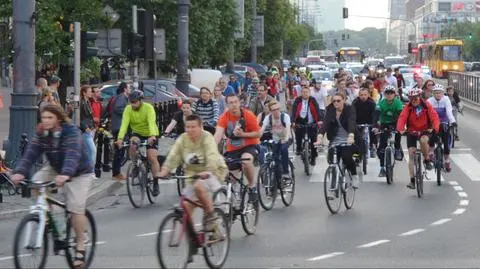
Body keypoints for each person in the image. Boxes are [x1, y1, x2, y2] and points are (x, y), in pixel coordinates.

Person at [11, 104, 94, 269]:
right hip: (55, 168)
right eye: (44, 117)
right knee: (35, 182)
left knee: (76, 206)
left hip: (78, 171)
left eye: (50, 117)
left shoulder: (70, 131)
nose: (46, 121)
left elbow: (73, 154)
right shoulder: (42, 132)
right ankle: (52, 218)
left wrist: (66, 174)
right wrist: (19, 172)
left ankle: (80, 246)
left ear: (59, 118)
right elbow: (31, 153)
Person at [159, 114, 228, 243]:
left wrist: (208, 170)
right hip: (192, 176)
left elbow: (212, 155)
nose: (190, 130)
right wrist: (164, 171)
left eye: (193, 127)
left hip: (213, 172)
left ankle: (213, 221)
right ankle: (193, 242)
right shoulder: (183, 139)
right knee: (186, 206)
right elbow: (174, 155)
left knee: (199, 187)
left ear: (200, 127)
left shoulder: (207, 137)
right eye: (188, 127)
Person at [215, 94, 261, 202]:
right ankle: (233, 203)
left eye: (236, 102)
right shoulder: (224, 117)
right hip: (233, 149)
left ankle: (251, 186)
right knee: (230, 178)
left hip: (249, 146)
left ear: (239, 103)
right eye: (231, 103)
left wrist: (243, 135)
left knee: (246, 161)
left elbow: (258, 134)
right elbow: (218, 135)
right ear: (227, 104)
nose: (234, 105)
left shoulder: (248, 115)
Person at [115, 91, 161, 196]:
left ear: (141, 101)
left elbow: (151, 122)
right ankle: (135, 165)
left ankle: (156, 182)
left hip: (151, 133)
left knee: (152, 157)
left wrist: (153, 136)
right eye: (131, 102)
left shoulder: (148, 108)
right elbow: (124, 124)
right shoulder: (128, 109)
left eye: (135, 102)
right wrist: (120, 138)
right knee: (132, 144)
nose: (133, 104)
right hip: (137, 133)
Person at [397, 88, 440, 189]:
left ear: (419, 97)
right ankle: (412, 181)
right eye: (411, 99)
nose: (414, 101)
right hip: (412, 131)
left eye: (415, 98)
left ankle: (426, 160)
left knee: (423, 140)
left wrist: (434, 128)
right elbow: (402, 117)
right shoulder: (408, 107)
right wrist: (400, 129)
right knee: (411, 154)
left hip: (425, 129)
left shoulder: (426, 105)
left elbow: (434, 117)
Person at [316, 92, 359, 189]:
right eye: (334, 101)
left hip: (348, 140)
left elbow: (352, 122)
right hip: (335, 141)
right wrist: (319, 137)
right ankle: (333, 187)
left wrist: (351, 136)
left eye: (338, 101)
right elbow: (325, 124)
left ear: (343, 100)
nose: (336, 103)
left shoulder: (349, 109)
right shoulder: (330, 110)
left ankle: (354, 176)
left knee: (346, 157)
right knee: (332, 162)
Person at [374, 85, 404, 177]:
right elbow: (376, 114)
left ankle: (398, 148)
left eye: (391, 93)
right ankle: (382, 168)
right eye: (387, 93)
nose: (389, 95)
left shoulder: (398, 102)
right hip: (384, 124)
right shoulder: (381, 103)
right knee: (382, 147)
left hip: (395, 122)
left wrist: (403, 126)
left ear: (394, 94)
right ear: (385, 94)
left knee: (398, 131)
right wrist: (375, 126)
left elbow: (401, 114)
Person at [427, 84, 456, 172]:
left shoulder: (446, 100)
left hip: (444, 120)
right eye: (436, 93)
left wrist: (453, 121)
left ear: (443, 93)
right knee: (433, 134)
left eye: (440, 93)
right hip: (434, 121)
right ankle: (431, 151)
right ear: (433, 93)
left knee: (446, 140)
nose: (438, 95)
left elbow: (449, 112)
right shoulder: (429, 101)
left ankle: (447, 160)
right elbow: (427, 114)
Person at [259, 100, 292, 178]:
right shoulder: (268, 118)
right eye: (274, 110)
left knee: (284, 149)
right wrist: (257, 139)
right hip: (276, 139)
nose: (276, 111)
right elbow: (262, 129)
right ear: (270, 111)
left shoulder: (285, 116)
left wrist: (286, 139)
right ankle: (276, 180)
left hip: (286, 138)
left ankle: (286, 172)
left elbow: (288, 129)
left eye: (277, 109)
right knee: (275, 158)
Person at [291, 86, 322, 166]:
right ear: (301, 93)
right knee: (298, 135)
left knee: (313, 141)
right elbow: (294, 111)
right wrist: (293, 121)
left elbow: (317, 110)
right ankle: (299, 148)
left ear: (309, 93)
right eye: (303, 92)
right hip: (300, 122)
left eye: (306, 92)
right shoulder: (298, 100)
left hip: (311, 122)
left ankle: (314, 157)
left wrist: (319, 120)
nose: (305, 94)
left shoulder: (313, 100)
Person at [109, 82, 130, 181]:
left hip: (118, 126)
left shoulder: (119, 97)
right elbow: (118, 109)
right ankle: (116, 173)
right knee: (120, 151)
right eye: (129, 87)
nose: (130, 89)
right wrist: (128, 112)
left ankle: (117, 172)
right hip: (119, 127)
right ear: (125, 89)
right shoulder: (122, 97)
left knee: (120, 151)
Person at [352, 87, 377, 158]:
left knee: (373, 131)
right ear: (359, 95)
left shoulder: (372, 103)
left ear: (368, 95)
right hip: (358, 121)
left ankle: (372, 147)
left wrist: (374, 124)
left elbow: (374, 114)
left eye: (365, 95)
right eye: (361, 95)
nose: (363, 96)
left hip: (369, 121)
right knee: (356, 135)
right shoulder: (355, 102)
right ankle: (356, 152)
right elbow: (352, 114)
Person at [80, 85, 96, 168]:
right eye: (89, 91)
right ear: (84, 93)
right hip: (86, 130)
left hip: (90, 129)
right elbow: (79, 117)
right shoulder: (81, 103)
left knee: (88, 152)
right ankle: (90, 172)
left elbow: (90, 116)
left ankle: (88, 171)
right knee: (92, 151)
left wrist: (93, 127)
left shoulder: (87, 102)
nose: (91, 93)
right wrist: (85, 127)